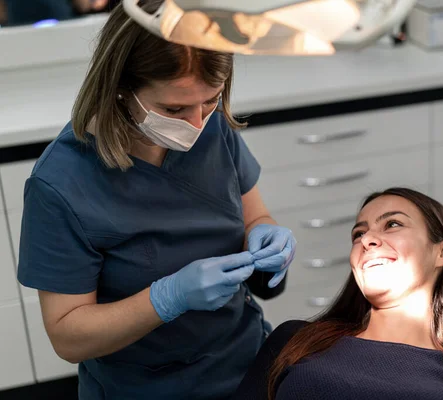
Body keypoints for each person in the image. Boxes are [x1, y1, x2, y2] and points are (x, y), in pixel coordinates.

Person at [16, 1, 296, 399]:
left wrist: (266, 235)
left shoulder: (211, 127)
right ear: (119, 87)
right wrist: (167, 298)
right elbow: (68, 337)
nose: (197, 125)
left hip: (245, 365)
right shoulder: (61, 183)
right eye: (173, 108)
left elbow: (255, 217)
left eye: (211, 100)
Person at [233, 187, 443, 400]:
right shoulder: (295, 340)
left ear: (442, 252)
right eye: (358, 234)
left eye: (392, 224)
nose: (368, 239)